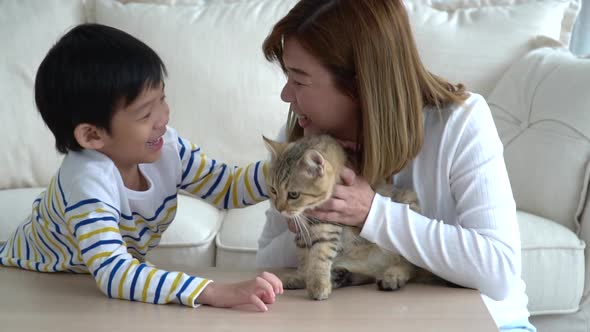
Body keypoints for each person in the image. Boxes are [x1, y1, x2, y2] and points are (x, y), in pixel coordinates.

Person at [255, 0, 534, 330]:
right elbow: (265, 263)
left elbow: (499, 272)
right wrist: (307, 222)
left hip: (482, 323)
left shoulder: (460, 122)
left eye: (299, 80)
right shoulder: (304, 146)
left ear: (360, 83)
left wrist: (372, 212)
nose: (287, 95)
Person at [0, 23, 282, 312]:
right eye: (146, 113)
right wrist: (213, 291)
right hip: (37, 280)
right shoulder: (86, 180)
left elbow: (227, 188)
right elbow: (114, 274)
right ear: (92, 135)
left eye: (162, 99)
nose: (163, 118)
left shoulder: (167, 146)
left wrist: (288, 168)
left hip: (90, 279)